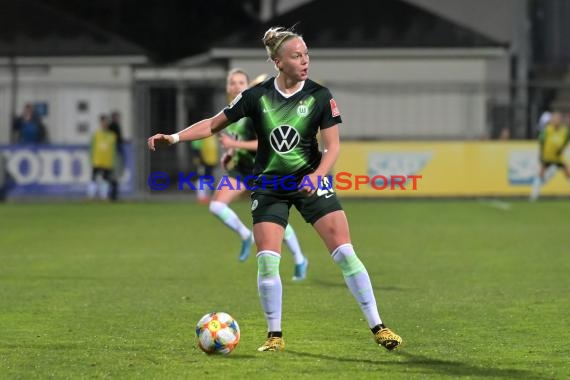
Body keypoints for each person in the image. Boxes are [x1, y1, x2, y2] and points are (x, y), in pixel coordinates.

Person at [148, 26, 402, 352]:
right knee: (267, 260)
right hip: (269, 185)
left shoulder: (319, 96)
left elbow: (334, 147)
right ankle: (274, 336)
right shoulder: (256, 97)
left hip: (310, 180)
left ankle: (378, 327)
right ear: (279, 62)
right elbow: (213, 124)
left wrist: (319, 175)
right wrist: (174, 137)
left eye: (306, 54)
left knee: (345, 252)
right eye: (297, 56)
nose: (305, 61)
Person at [212, 68, 309, 281]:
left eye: (240, 82)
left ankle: (300, 258)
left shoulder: (256, 110)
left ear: (247, 86)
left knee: (274, 220)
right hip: (241, 171)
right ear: (227, 87)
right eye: (232, 83)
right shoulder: (232, 112)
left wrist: (233, 144)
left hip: (264, 170)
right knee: (216, 206)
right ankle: (246, 235)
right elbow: (234, 142)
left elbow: (264, 143)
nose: (236, 86)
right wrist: (230, 154)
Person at [530, 111, 570, 201]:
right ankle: (534, 195)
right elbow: (541, 141)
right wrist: (541, 155)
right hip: (547, 157)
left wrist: (562, 148)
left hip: (558, 157)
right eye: (555, 119)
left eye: (558, 119)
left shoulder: (564, 131)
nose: (557, 121)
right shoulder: (547, 130)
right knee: (540, 174)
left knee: (568, 173)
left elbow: (567, 139)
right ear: (552, 120)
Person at [87, 115, 117, 200]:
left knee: (105, 179)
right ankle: (90, 196)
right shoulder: (96, 135)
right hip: (97, 160)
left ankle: (104, 197)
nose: (104, 124)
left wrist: (113, 161)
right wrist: (91, 158)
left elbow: (113, 150)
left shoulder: (112, 135)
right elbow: (91, 148)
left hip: (107, 161)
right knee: (93, 178)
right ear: (101, 123)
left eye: (106, 122)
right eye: (103, 122)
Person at [108, 111, 125, 201]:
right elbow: (115, 139)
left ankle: (113, 195)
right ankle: (113, 196)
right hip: (115, 152)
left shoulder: (113, 126)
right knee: (114, 175)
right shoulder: (113, 126)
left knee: (114, 175)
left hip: (116, 151)